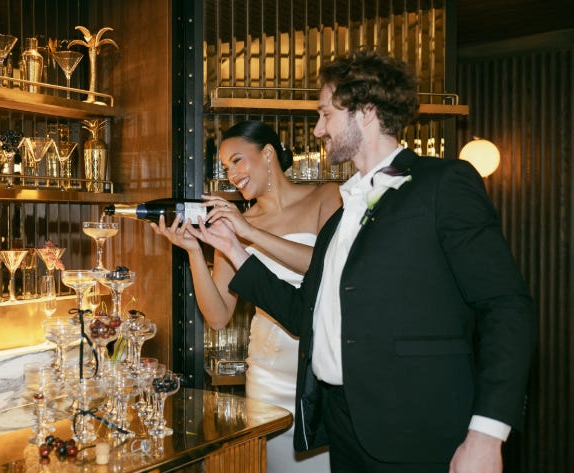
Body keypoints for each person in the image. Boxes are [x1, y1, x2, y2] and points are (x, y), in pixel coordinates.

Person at [192, 50, 536, 473]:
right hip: (342, 428)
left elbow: (506, 306)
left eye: (325, 114)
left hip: (415, 430)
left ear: (365, 112)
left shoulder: (443, 184)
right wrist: (234, 248)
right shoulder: (341, 213)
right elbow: (306, 314)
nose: (318, 129)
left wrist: (487, 432)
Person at [151, 120, 341, 473]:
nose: (232, 174)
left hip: (320, 372)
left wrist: (249, 234)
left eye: (238, 160)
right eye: (225, 167)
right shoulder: (235, 221)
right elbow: (219, 315)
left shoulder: (325, 196)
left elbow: (328, 267)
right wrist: (194, 251)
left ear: (268, 153)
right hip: (267, 378)